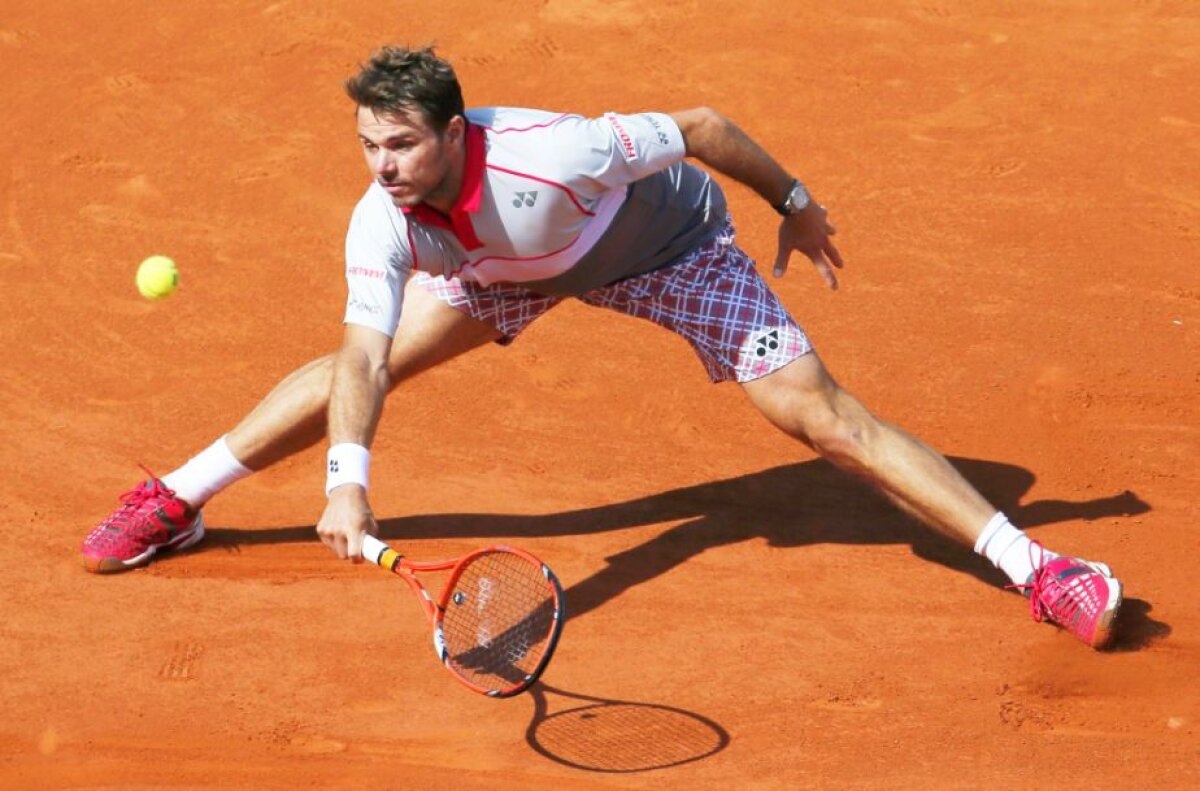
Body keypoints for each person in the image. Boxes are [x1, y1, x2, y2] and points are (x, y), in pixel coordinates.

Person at [81, 46, 1123, 648]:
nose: (383, 166)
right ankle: (178, 499)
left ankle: (1040, 566)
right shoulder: (383, 218)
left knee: (819, 416)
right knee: (377, 357)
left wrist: (794, 201)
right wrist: (349, 479)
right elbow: (361, 357)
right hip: (505, 271)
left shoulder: (561, 153)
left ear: (452, 131)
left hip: (670, 246)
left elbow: (707, 124)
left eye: (401, 144)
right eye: (368, 146)